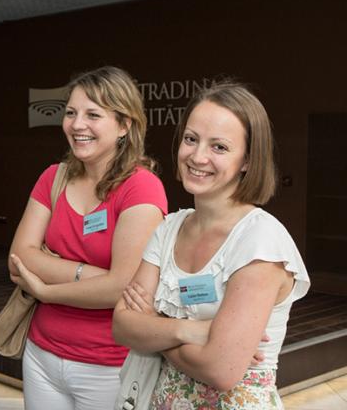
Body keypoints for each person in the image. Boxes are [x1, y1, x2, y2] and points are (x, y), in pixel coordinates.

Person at [111, 82, 310, 409]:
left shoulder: (260, 242)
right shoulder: (169, 228)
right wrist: (192, 331)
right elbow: (122, 326)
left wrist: (153, 322)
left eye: (219, 146)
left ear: (247, 160)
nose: (198, 156)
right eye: (191, 139)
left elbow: (220, 369)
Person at [8, 66, 168, 410]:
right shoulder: (54, 177)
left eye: (93, 115)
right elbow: (19, 257)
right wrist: (90, 275)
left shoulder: (141, 187)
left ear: (124, 125)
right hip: (40, 355)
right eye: (71, 113)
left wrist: (47, 289)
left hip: (109, 366)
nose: (77, 124)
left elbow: (122, 288)